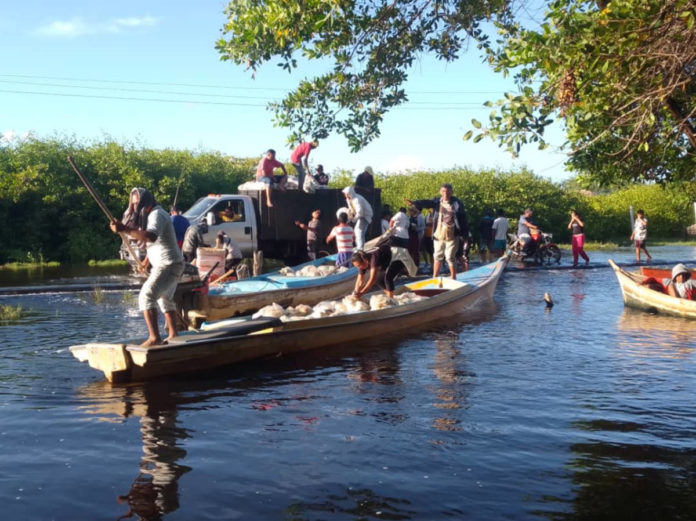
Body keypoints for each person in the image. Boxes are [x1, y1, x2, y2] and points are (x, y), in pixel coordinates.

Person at [110, 189, 185, 346]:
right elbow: (156, 244)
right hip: (170, 263)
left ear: (146, 202)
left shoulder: (156, 214)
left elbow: (151, 236)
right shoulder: (150, 215)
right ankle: (173, 334)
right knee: (165, 298)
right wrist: (145, 262)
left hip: (169, 264)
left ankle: (154, 338)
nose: (135, 206)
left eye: (138, 203)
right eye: (134, 203)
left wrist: (124, 229)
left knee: (146, 296)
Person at [406, 183, 467, 279]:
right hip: (438, 233)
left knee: (449, 257)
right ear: (440, 192)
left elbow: (463, 220)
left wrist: (464, 235)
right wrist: (415, 203)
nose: (445, 194)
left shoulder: (457, 203)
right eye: (443, 191)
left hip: (452, 233)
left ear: (451, 192)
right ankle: (435, 277)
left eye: (448, 192)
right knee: (437, 255)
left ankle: (453, 277)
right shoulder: (437, 202)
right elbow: (426, 202)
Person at [350, 244, 417, 299]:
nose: (359, 268)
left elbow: (372, 279)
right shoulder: (361, 262)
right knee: (379, 280)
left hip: (398, 256)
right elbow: (359, 280)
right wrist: (356, 292)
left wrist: (361, 293)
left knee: (388, 277)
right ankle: (390, 294)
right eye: (357, 266)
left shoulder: (374, 258)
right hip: (387, 261)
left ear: (365, 260)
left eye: (359, 266)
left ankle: (391, 299)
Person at [342, 186, 373, 250]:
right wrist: (350, 218)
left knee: (358, 231)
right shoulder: (348, 199)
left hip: (365, 215)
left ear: (349, 193)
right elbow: (352, 210)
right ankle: (361, 248)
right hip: (359, 216)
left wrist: (353, 220)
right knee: (359, 232)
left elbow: (360, 213)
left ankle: (360, 249)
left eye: (346, 193)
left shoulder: (357, 199)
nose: (345, 195)